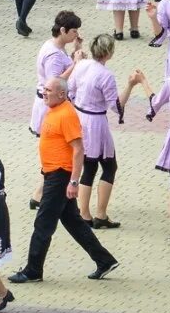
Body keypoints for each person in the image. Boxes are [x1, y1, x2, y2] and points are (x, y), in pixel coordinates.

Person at [9, 75, 119, 284]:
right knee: (73, 222)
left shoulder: (67, 114)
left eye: (49, 90)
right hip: (52, 173)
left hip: (61, 176)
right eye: (44, 89)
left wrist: (74, 181)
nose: (44, 93)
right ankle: (104, 260)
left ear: (62, 93)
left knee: (43, 223)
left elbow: (78, 150)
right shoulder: (53, 110)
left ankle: (33, 270)